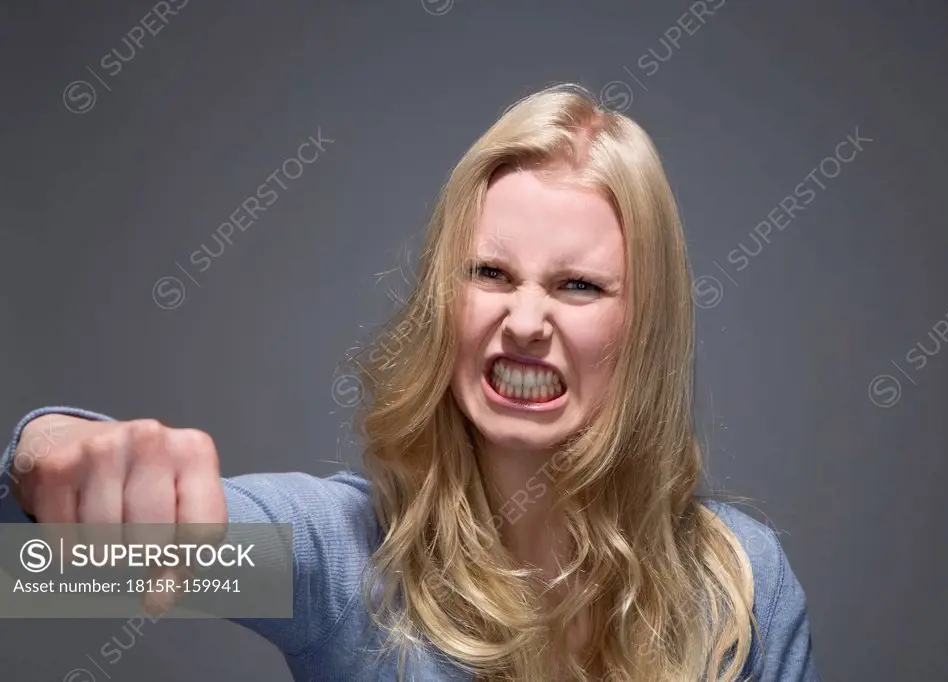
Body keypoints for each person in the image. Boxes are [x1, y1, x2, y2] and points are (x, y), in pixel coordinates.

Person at [0, 83, 818, 681]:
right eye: (491, 272)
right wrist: (45, 450)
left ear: (645, 327)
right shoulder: (343, 558)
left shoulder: (742, 583)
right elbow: (32, 570)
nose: (527, 320)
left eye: (578, 287)